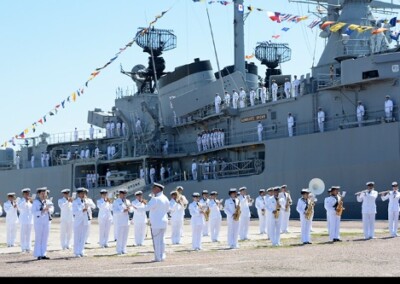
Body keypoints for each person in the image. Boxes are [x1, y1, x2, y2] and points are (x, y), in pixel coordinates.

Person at [133, 182, 169, 262]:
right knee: (162, 239)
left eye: (154, 188)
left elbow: (147, 207)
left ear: (157, 189)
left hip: (156, 222)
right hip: (164, 221)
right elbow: (167, 209)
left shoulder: (155, 198)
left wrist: (137, 208)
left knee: (156, 240)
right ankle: (162, 256)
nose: (152, 190)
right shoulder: (165, 198)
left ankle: (157, 257)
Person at [32, 187, 54, 260]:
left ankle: (43, 254)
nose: (44, 195)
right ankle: (38, 254)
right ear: (38, 194)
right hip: (38, 221)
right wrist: (42, 211)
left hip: (46, 221)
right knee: (39, 238)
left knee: (45, 238)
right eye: (42, 193)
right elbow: (34, 212)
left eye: (45, 193)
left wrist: (48, 209)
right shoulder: (36, 202)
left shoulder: (48, 201)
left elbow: (52, 210)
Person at [113, 189, 133, 254]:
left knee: (125, 236)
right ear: (120, 194)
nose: (124, 195)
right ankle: (118, 250)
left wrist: (129, 209)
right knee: (120, 236)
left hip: (126, 220)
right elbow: (115, 211)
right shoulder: (116, 201)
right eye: (123, 194)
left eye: (125, 194)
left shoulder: (127, 201)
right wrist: (122, 211)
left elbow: (131, 210)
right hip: (120, 220)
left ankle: (124, 249)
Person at [72, 187, 89, 257]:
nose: (83, 195)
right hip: (78, 221)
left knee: (83, 236)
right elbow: (74, 212)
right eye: (82, 193)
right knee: (77, 237)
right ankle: (76, 252)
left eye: (84, 193)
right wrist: (82, 210)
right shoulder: (75, 202)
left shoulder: (86, 201)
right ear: (78, 194)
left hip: (85, 220)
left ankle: (81, 251)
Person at [17, 188, 33, 252]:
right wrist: (25, 201)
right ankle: (23, 247)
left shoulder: (30, 201)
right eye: (26, 193)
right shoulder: (20, 200)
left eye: (28, 193)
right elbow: (20, 208)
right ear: (23, 194)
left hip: (30, 220)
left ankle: (28, 247)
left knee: (29, 234)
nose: (27, 195)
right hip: (23, 220)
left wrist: (31, 201)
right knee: (23, 234)